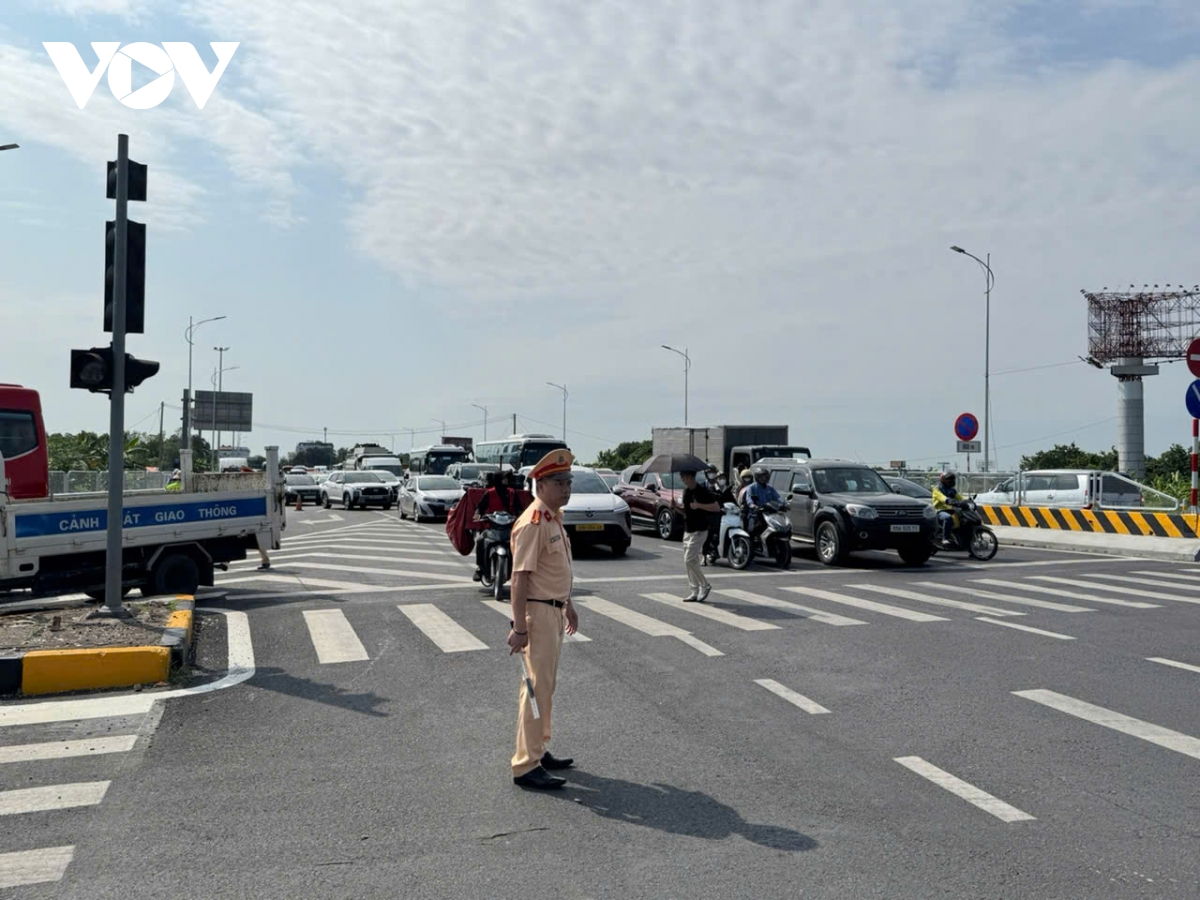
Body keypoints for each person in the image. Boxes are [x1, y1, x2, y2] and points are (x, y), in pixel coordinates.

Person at [507, 449, 580, 790]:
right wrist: (520, 627)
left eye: (568, 482)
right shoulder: (533, 522)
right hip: (537, 614)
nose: (566, 489)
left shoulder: (552, 518)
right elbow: (520, 578)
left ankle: (538, 749)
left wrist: (568, 603)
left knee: (545, 687)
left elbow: (556, 569)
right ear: (540, 484)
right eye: (559, 482)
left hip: (553, 610)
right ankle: (525, 766)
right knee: (535, 688)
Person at [472, 468, 528, 581]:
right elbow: (479, 509)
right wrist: (476, 519)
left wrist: (522, 518)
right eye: (504, 478)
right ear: (498, 480)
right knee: (480, 541)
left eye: (507, 478)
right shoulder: (489, 493)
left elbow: (520, 510)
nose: (506, 480)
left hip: (510, 528)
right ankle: (480, 568)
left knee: (523, 543)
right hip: (491, 527)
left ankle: (523, 569)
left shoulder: (512, 493)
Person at [680, 469, 720, 602]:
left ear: (691, 477)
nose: (682, 479)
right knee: (690, 562)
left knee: (689, 559)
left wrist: (699, 505)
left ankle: (705, 585)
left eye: (684, 476)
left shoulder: (703, 491)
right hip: (688, 530)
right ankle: (694, 591)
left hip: (700, 530)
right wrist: (675, 507)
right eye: (681, 477)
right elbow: (687, 511)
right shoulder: (686, 491)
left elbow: (716, 507)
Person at [745, 465, 782, 539]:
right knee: (752, 531)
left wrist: (784, 504)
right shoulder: (751, 487)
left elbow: (778, 497)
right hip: (755, 515)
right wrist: (753, 505)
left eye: (765, 476)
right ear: (757, 477)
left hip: (769, 514)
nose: (763, 478)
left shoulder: (770, 488)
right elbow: (748, 498)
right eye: (761, 476)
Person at [931, 471, 961, 545]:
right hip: (939, 511)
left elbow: (960, 498)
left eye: (952, 479)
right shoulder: (937, 489)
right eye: (949, 479)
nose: (951, 481)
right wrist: (948, 500)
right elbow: (942, 497)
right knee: (948, 518)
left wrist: (968, 501)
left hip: (951, 510)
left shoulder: (952, 490)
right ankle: (945, 538)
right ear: (943, 480)